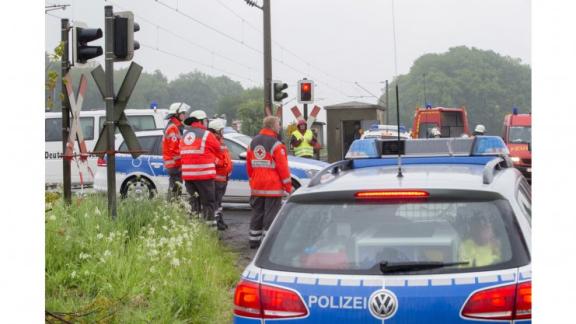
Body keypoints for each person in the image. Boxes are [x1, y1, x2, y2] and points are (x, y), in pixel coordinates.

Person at [247, 116, 292, 249]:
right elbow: (283, 168)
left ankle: (253, 240)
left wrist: (252, 181)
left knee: (257, 212)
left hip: (257, 185)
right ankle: (267, 243)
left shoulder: (252, 142)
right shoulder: (276, 145)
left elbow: (249, 166)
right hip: (272, 186)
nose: (279, 127)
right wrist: (288, 187)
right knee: (270, 214)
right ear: (272, 126)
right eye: (278, 124)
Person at [180, 109, 222, 228]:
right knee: (208, 203)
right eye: (206, 120)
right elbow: (218, 149)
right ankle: (210, 231)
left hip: (188, 177)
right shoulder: (207, 134)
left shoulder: (185, 135)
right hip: (204, 176)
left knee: (194, 203)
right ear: (201, 121)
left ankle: (195, 229)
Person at [162, 102, 190, 201]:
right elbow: (174, 149)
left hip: (174, 164)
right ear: (176, 114)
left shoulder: (175, 126)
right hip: (174, 164)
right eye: (183, 113)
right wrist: (181, 163)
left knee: (175, 189)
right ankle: (172, 207)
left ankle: (172, 207)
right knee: (175, 189)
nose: (185, 115)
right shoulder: (173, 127)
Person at [208, 118, 232, 231]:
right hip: (217, 178)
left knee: (219, 202)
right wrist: (222, 163)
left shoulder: (220, 141)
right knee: (216, 202)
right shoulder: (213, 142)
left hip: (223, 177)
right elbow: (212, 158)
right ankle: (217, 222)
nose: (223, 132)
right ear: (217, 131)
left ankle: (220, 220)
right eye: (221, 130)